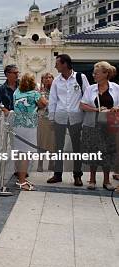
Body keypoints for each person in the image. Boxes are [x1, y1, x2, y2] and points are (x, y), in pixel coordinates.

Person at [47, 54, 90, 186]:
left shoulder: (80, 78)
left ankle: (77, 175)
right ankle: (57, 174)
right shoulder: (56, 81)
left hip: (76, 118)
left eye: (57, 63)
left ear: (65, 64)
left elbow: (87, 96)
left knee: (77, 147)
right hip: (60, 117)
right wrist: (51, 118)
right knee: (58, 147)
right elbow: (53, 100)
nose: (55, 66)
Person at [80, 61, 119, 191]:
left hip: (110, 123)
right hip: (92, 124)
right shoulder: (91, 88)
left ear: (105, 74)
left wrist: (116, 108)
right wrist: (97, 110)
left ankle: (107, 181)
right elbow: (82, 105)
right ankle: (92, 179)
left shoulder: (116, 88)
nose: (93, 75)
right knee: (93, 151)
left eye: (96, 73)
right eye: (93, 73)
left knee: (108, 151)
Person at [12, 73, 45, 190]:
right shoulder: (34, 94)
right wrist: (40, 92)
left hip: (17, 125)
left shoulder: (16, 92)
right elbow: (43, 104)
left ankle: (20, 177)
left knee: (19, 153)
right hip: (29, 126)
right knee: (26, 154)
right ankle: (22, 181)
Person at [36, 72, 56, 172]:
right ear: (42, 80)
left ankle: (51, 164)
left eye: (50, 77)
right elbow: (40, 105)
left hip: (55, 118)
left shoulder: (57, 90)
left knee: (53, 142)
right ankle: (40, 164)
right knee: (41, 142)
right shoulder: (39, 91)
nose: (48, 79)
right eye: (45, 78)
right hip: (43, 118)